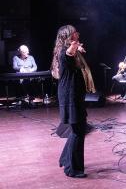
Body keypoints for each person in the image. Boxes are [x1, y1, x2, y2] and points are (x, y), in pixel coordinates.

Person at [50, 25, 88, 178]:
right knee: (78, 131)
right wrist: (75, 46)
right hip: (70, 95)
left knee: (77, 129)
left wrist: (77, 49)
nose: (77, 35)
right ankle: (72, 169)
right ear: (69, 37)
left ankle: (65, 159)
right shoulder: (65, 51)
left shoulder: (64, 51)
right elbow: (69, 52)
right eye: (74, 34)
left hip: (73, 94)